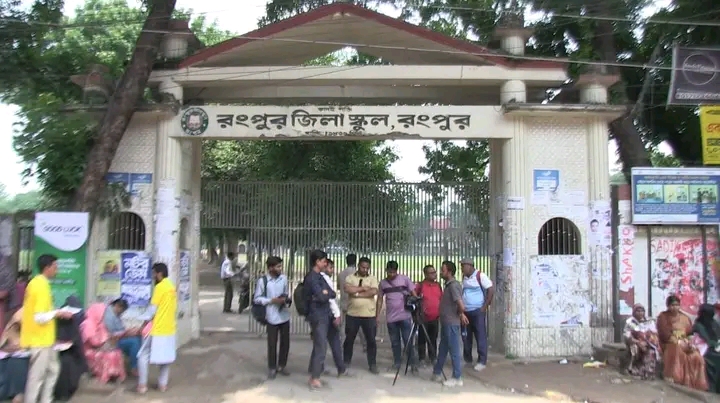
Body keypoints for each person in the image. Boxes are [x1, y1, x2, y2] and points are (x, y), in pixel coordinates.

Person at [21, 254, 74, 403]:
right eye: (55, 267)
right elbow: (39, 317)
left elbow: (42, 312)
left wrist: (56, 312)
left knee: (53, 370)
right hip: (39, 339)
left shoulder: (37, 283)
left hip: (46, 339)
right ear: (47, 267)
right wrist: (58, 313)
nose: (57, 270)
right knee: (37, 377)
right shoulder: (40, 286)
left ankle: (46, 400)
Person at [304, 249, 349, 391]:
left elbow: (332, 293)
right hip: (318, 316)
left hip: (327, 314)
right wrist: (324, 294)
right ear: (317, 262)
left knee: (335, 341)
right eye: (324, 261)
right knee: (321, 346)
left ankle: (341, 369)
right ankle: (314, 377)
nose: (325, 264)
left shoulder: (320, 277)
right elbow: (322, 296)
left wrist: (325, 293)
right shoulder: (311, 278)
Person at [137, 263, 178, 394]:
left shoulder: (159, 287)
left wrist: (143, 324)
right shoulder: (171, 287)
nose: (153, 275)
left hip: (157, 328)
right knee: (166, 358)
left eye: (154, 273)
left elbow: (152, 311)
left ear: (159, 273)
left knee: (142, 355)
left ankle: (142, 385)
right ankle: (162, 385)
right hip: (169, 328)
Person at [657, 294, 707, 391]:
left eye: (677, 305)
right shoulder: (663, 317)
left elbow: (690, 334)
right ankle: (676, 378)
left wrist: (689, 343)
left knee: (697, 357)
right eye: (672, 305)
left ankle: (696, 384)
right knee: (677, 349)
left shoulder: (685, 318)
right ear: (668, 306)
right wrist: (679, 342)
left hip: (685, 342)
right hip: (669, 343)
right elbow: (664, 335)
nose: (675, 307)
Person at [431, 261, 468, 387]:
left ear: (449, 272)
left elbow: (461, 304)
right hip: (446, 322)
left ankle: (457, 377)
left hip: (451, 323)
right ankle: (437, 372)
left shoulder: (453, 286)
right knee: (443, 348)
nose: (441, 273)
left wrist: (461, 313)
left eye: (443, 270)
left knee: (454, 350)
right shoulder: (449, 285)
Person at [253, 256, 291, 380]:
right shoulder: (263, 281)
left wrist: (285, 299)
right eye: (278, 266)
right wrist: (271, 300)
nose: (280, 269)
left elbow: (286, 292)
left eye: (280, 266)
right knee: (272, 343)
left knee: (285, 343)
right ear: (270, 268)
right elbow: (257, 299)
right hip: (271, 316)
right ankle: (272, 367)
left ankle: (282, 365)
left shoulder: (283, 279)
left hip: (284, 315)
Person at [377, 260, 418, 373]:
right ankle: (397, 363)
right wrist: (377, 315)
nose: (391, 274)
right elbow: (379, 299)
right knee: (395, 342)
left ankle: (412, 364)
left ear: (396, 271)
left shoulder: (405, 280)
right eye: (389, 272)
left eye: (393, 272)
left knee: (408, 340)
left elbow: (414, 295)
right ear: (386, 270)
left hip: (405, 316)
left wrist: (415, 307)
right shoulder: (383, 283)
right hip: (391, 318)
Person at [343, 256, 379, 374]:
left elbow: (373, 291)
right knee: (349, 339)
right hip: (352, 314)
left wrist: (357, 294)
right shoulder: (350, 277)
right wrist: (363, 288)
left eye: (367, 268)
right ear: (358, 266)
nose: (365, 270)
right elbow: (348, 289)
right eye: (363, 267)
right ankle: (346, 361)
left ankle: (372, 364)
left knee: (371, 340)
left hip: (369, 314)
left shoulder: (373, 279)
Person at [460, 258, 494, 372]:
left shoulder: (480, 276)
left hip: (478, 311)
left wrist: (485, 306)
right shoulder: (464, 277)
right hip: (466, 312)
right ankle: (468, 359)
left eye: (463, 266)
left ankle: (482, 361)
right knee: (466, 336)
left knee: (480, 336)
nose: (461, 269)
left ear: (469, 266)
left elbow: (490, 289)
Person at [80, 303, 127, 383]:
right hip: (89, 349)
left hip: (100, 346)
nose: (103, 314)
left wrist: (109, 341)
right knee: (107, 355)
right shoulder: (88, 324)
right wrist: (103, 344)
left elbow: (106, 336)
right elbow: (92, 342)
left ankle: (115, 375)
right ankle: (104, 376)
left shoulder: (100, 323)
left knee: (117, 353)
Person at [54, 296, 88, 401]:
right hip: (57, 351)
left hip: (73, 352)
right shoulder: (57, 320)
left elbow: (76, 339)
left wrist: (72, 342)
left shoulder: (75, 321)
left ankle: (67, 392)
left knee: (69, 364)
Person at [103, 298, 142, 376]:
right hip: (112, 341)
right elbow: (112, 333)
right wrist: (126, 333)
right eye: (122, 310)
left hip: (119, 337)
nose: (122, 313)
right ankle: (134, 367)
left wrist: (129, 331)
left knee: (138, 338)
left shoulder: (114, 314)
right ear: (118, 306)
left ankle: (134, 364)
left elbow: (120, 329)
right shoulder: (109, 315)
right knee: (134, 342)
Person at [623, 304, 660, 379]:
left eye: (642, 311)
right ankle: (634, 370)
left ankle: (648, 372)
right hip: (634, 342)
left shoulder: (649, 321)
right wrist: (638, 342)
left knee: (651, 351)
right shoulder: (630, 322)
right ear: (634, 312)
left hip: (648, 343)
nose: (640, 313)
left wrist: (648, 343)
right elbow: (627, 335)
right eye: (638, 311)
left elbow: (654, 333)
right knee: (635, 349)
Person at [338, 253, 366, 351]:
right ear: (356, 262)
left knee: (343, 325)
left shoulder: (341, 274)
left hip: (344, 302)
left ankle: (341, 344)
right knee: (360, 325)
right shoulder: (358, 274)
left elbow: (338, 287)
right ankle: (365, 344)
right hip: (356, 302)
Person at [415, 264, 442, 365]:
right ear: (426, 274)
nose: (435, 274)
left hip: (435, 317)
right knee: (422, 338)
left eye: (435, 272)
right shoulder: (421, 285)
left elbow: (441, 298)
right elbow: (414, 298)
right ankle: (421, 358)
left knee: (433, 338)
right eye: (432, 273)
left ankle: (433, 357)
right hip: (423, 318)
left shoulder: (438, 285)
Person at [0, 308, 28, 403]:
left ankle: (19, 393)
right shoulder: (15, 317)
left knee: (17, 361)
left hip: (21, 352)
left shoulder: (23, 313)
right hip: (7, 352)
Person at [694, 303, 720, 393]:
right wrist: (715, 344)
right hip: (704, 350)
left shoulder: (714, 323)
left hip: (715, 349)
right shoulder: (698, 325)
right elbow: (707, 340)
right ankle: (712, 387)